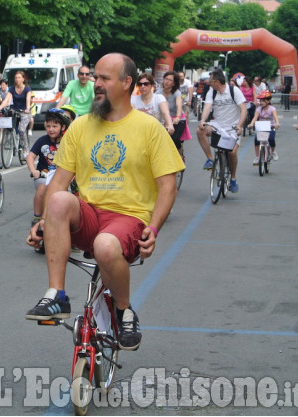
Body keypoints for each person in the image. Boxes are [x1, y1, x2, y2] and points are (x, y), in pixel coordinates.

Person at [25, 53, 185, 352]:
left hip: (128, 218)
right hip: (89, 214)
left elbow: (167, 186)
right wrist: (44, 221)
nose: (96, 84)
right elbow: (59, 181)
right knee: (58, 198)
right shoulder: (81, 126)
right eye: (95, 77)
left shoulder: (149, 128)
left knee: (105, 246)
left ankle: (124, 311)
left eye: (104, 79)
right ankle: (56, 294)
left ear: (127, 83)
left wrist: (154, 228)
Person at [197, 69, 247, 193]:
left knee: (231, 153)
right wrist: (203, 120)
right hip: (217, 125)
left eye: (210, 81)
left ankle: (233, 178)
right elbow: (207, 107)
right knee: (200, 130)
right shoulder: (212, 92)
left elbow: (244, 109)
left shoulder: (234, 91)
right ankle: (210, 158)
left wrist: (240, 126)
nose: (209, 83)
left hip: (232, 127)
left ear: (217, 82)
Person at [26, 109, 70, 228]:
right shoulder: (42, 141)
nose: (51, 129)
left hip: (61, 176)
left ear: (63, 127)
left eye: (55, 126)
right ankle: (37, 217)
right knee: (42, 188)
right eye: (48, 126)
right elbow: (30, 156)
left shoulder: (68, 141)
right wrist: (33, 170)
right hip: (43, 175)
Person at [0, 71, 32, 158]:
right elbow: (6, 100)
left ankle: (25, 148)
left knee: (21, 129)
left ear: (23, 79)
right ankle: (11, 140)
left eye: (19, 78)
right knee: (8, 125)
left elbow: (28, 101)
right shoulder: (12, 89)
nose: (17, 79)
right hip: (14, 111)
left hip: (24, 112)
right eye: (16, 78)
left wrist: (27, 109)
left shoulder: (27, 89)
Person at [248, 90, 280, 164]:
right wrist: (251, 124)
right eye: (260, 100)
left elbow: (276, 118)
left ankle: (273, 152)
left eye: (263, 100)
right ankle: (257, 157)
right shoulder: (259, 109)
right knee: (256, 140)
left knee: (271, 139)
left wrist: (277, 124)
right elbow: (255, 118)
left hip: (271, 127)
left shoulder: (272, 109)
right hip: (261, 127)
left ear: (268, 101)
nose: (261, 102)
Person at [157, 71, 184, 152]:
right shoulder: (158, 92)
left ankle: (180, 155)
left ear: (174, 83)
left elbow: (179, 105)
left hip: (176, 119)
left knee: (174, 140)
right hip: (163, 119)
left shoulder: (177, 92)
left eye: (170, 80)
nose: (167, 81)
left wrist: (178, 117)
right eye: (166, 79)